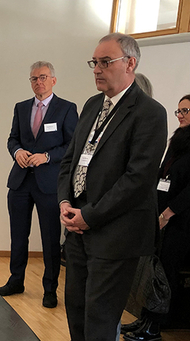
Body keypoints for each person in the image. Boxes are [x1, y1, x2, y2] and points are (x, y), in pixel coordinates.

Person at [57, 33, 168, 341]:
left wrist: (89, 215)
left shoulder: (149, 113)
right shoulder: (92, 105)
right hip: (78, 229)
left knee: (100, 318)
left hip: (116, 234)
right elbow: (70, 160)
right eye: (95, 62)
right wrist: (65, 203)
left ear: (130, 63)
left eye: (106, 62)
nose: (97, 68)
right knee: (76, 310)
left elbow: (137, 179)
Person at [0, 61, 78, 308]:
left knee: (50, 238)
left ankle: (50, 288)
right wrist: (17, 151)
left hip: (49, 184)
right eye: (33, 78)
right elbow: (12, 139)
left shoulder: (66, 108)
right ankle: (16, 280)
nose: (38, 82)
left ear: (53, 80)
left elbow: (71, 146)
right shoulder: (21, 108)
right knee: (18, 235)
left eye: (43, 77)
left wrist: (47, 157)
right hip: (21, 181)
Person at [121, 94, 190, 341]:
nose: (180, 115)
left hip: (180, 222)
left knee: (166, 273)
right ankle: (146, 318)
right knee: (152, 269)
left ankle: (155, 327)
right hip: (160, 216)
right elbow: (162, 172)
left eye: (185, 111)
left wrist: (169, 213)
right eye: (178, 111)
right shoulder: (177, 140)